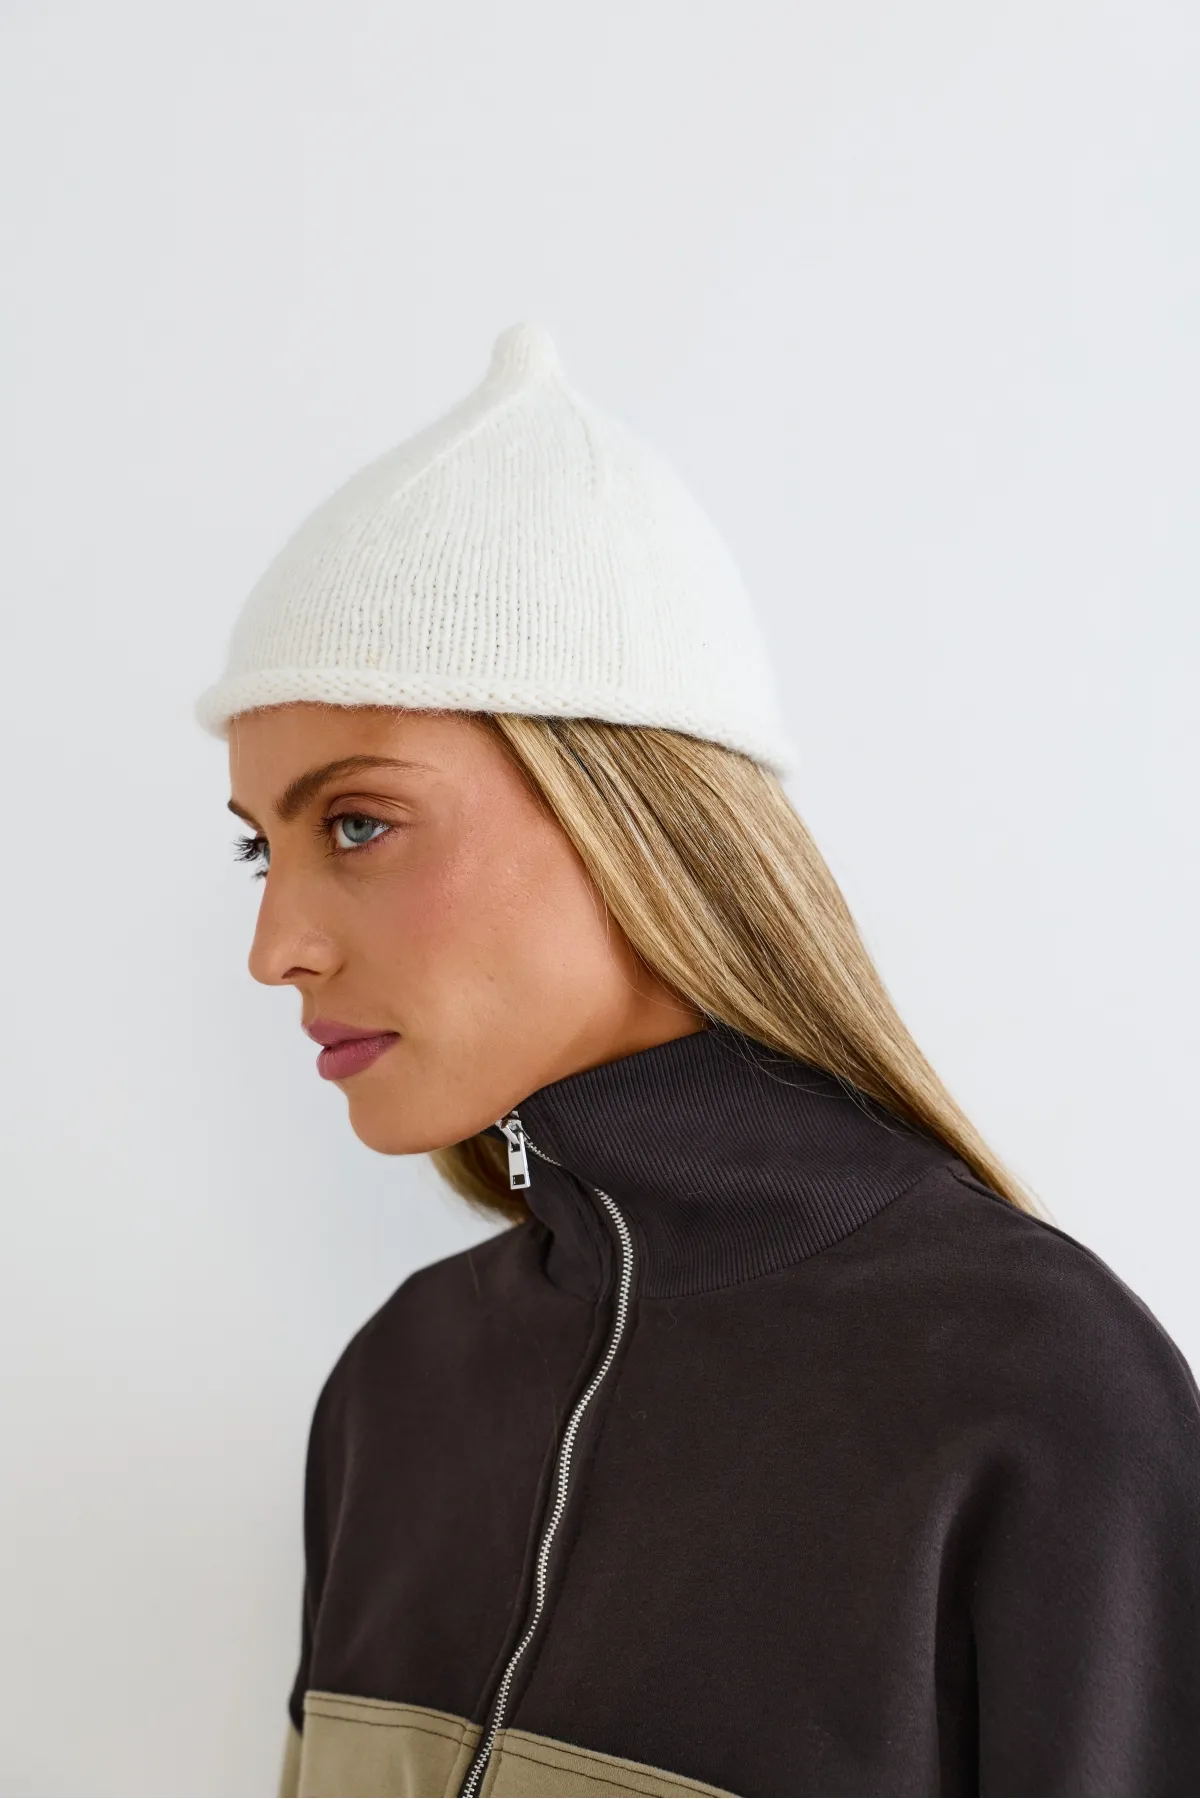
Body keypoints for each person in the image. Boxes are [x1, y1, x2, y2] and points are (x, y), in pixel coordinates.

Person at [197, 323, 1200, 1799]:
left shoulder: (1039, 1398)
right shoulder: (399, 1390)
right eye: (258, 848)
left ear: (631, 815)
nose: (276, 946)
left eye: (357, 822)